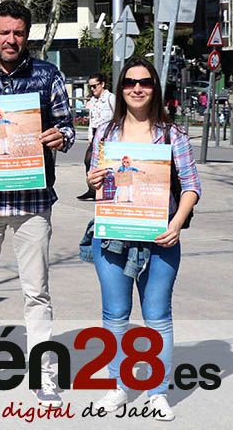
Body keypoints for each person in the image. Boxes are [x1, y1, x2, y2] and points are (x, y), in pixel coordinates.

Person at [0, 0, 74, 404]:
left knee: (36, 291)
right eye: (4, 32)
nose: (11, 40)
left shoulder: (47, 75)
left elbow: (68, 129)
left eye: (18, 33)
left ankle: (45, 374)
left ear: (27, 35)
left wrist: (60, 137)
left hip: (32, 199)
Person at [84, 58, 199, 421]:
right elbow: (94, 179)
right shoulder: (105, 133)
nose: (137, 89)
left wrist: (177, 223)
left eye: (145, 83)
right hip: (114, 236)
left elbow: (192, 186)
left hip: (160, 236)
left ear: (155, 88)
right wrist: (92, 180)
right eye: (130, 82)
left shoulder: (172, 134)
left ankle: (157, 391)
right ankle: (118, 386)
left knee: (157, 315)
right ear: (120, 89)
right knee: (115, 315)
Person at [79, 73, 115, 200]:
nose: (92, 89)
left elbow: (118, 116)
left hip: (107, 135)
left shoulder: (111, 98)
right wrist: (90, 137)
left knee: (105, 164)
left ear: (102, 84)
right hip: (95, 134)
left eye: (95, 86)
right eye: (90, 87)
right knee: (88, 161)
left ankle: (104, 189)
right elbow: (91, 120)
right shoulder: (93, 101)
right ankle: (91, 188)